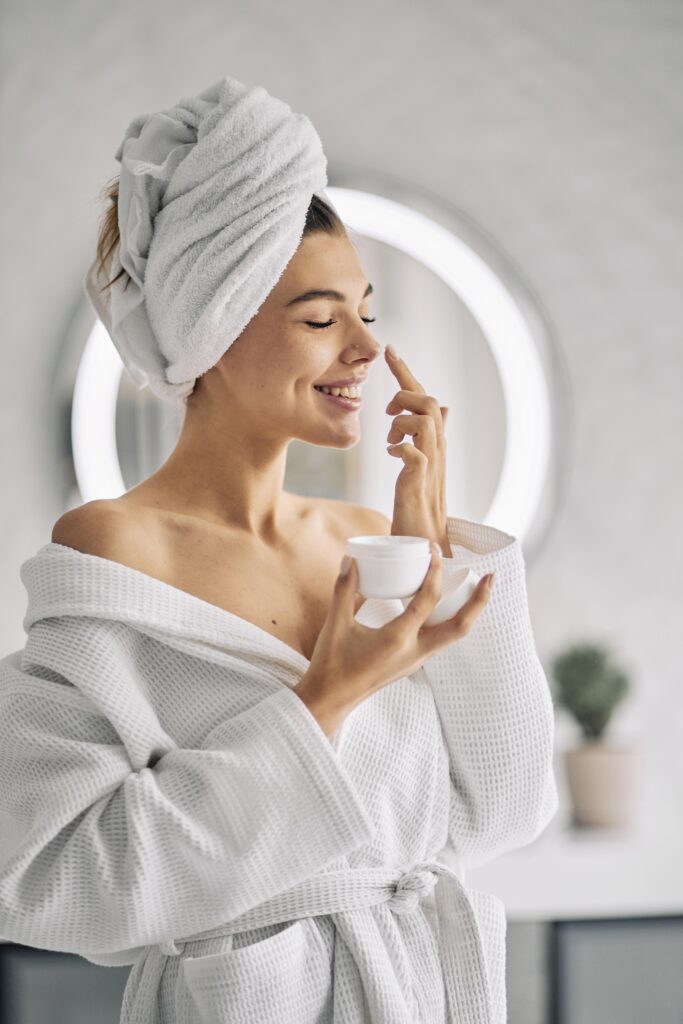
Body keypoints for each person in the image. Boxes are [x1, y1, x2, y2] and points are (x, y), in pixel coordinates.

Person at [0, 76, 559, 1024]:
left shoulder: (366, 546)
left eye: (365, 312)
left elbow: (499, 807)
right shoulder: (115, 553)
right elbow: (52, 879)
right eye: (317, 318)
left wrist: (429, 539)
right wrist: (322, 701)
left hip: (422, 987)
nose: (364, 350)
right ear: (214, 329)